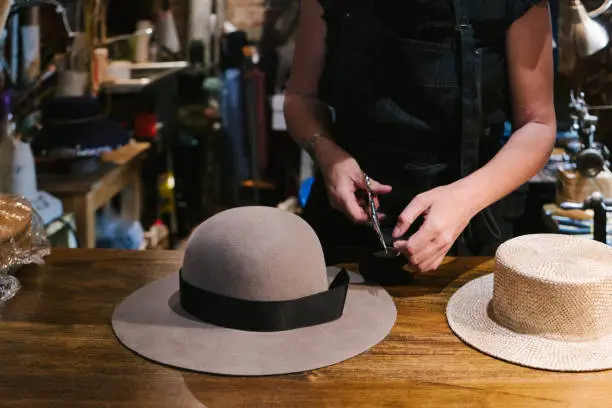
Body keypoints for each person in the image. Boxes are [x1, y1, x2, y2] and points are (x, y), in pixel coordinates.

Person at [284, 0, 556, 272]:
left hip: (468, 232)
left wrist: (465, 199)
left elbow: (538, 124)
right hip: (344, 230)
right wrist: (328, 155)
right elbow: (300, 98)